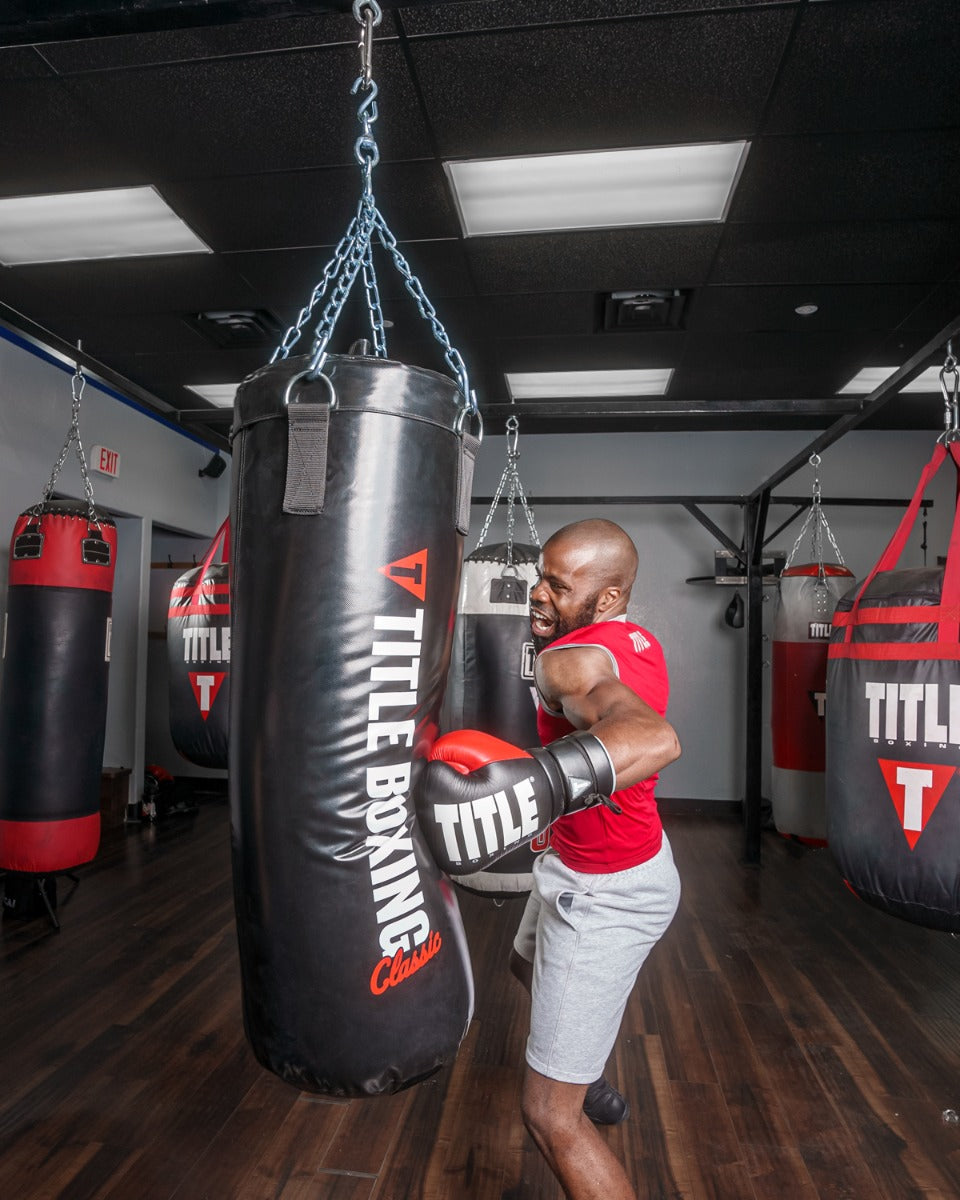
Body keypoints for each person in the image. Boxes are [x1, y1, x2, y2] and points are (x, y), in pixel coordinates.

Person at [509, 517, 681, 1200]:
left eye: (558, 585)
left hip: (604, 892)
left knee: (549, 1118)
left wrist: (531, 786)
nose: (537, 595)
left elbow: (652, 737)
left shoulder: (567, 661)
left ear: (607, 598)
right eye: (539, 577)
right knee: (523, 964)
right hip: (596, 861)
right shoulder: (636, 639)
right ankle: (585, 1067)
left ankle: (572, 1093)